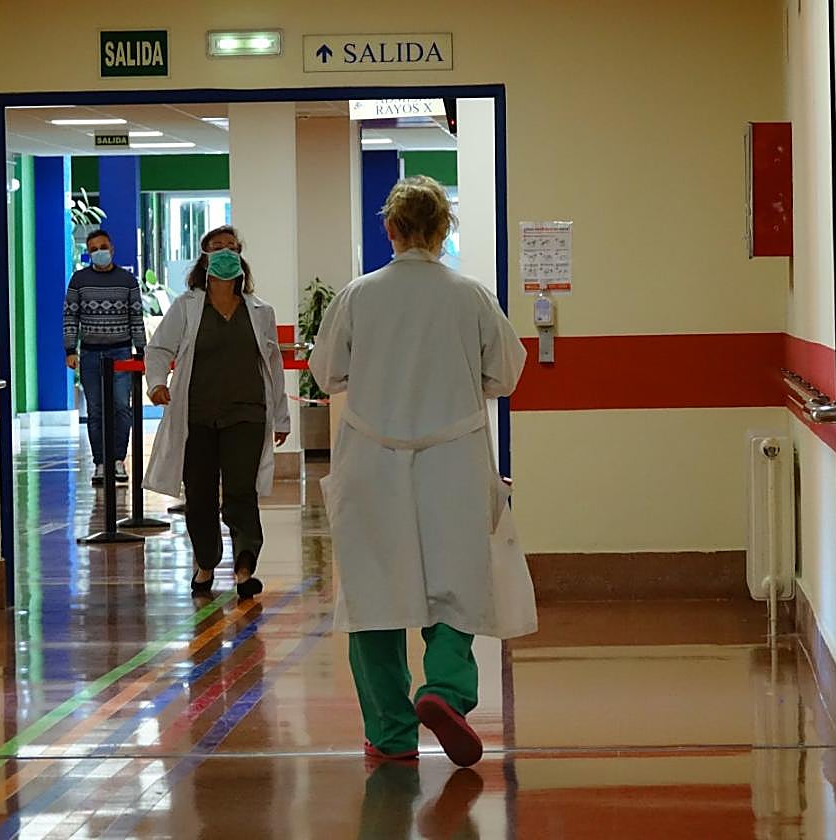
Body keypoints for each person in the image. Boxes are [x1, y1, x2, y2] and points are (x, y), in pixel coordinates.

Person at [310, 176, 533, 768]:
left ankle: (389, 734)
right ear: (443, 231)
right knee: (456, 588)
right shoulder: (471, 296)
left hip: (372, 463)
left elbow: (325, 373)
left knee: (374, 597)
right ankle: (445, 691)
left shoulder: (358, 295)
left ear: (390, 229)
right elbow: (507, 375)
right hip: (453, 461)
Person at [143, 226, 291, 600]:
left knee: (242, 491)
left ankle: (244, 568)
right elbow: (159, 349)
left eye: (232, 248)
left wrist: (282, 416)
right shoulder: (187, 307)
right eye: (217, 247)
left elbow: (271, 367)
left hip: (248, 414)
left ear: (240, 257)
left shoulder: (260, 311)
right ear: (205, 257)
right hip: (197, 417)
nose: (226, 253)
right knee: (201, 493)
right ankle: (206, 563)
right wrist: (157, 383)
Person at [63, 229, 147, 485]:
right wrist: (70, 349)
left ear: (112, 249)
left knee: (121, 406)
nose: (99, 252)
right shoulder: (79, 280)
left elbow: (136, 317)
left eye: (103, 246)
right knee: (96, 409)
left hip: (121, 351)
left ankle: (118, 461)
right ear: (88, 254)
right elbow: (70, 316)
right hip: (90, 353)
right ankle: (100, 463)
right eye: (93, 249)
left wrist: (141, 350)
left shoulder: (127, 280)